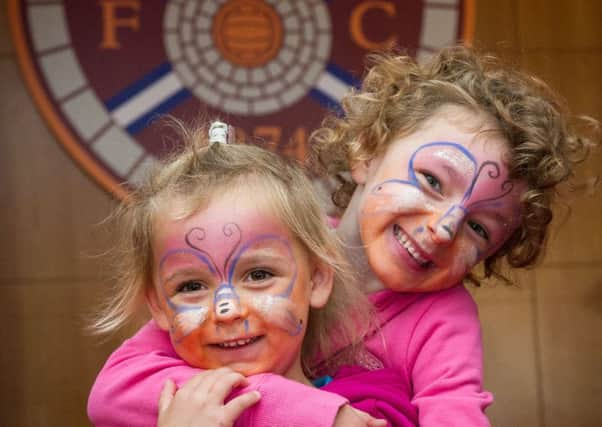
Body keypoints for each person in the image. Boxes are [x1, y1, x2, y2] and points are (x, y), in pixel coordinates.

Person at [88, 46, 598, 427]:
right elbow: (114, 391)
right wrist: (319, 414)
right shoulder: (262, 256)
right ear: (365, 152)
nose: (444, 228)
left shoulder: (443, 317)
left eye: (479, 228)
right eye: (431, 180)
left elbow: (454, 415)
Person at [87, 120, 381, 426]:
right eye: (192, 286)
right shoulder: (157, 412)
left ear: (317, 279)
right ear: (158, 307)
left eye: (258, 275)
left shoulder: (371, 405)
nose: (227, 310)